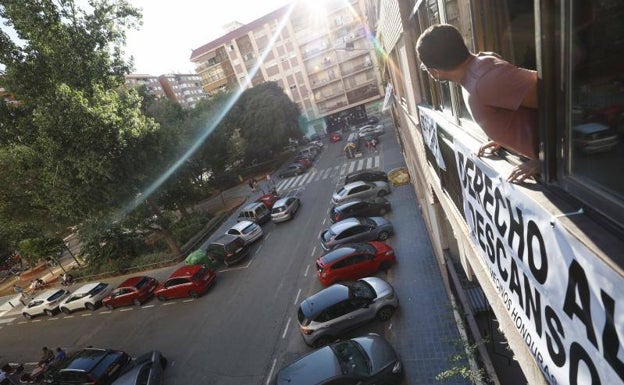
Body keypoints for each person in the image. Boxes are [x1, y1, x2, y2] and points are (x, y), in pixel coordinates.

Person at [416, 24, 540, 183]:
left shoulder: (485, 80)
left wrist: (549, 158)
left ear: (433, 71)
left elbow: (558, 97)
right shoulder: (477, 69)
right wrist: (504, 136)